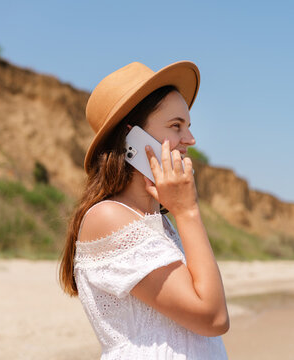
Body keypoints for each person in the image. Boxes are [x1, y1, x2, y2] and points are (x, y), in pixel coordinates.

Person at [58, 60, 229, 359]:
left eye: (188, 126)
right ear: (131, 138)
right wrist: (187, 211)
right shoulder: (108, 217)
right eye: (176, 126)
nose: (190, 140)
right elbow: (212, 318)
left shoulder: (155, 223)